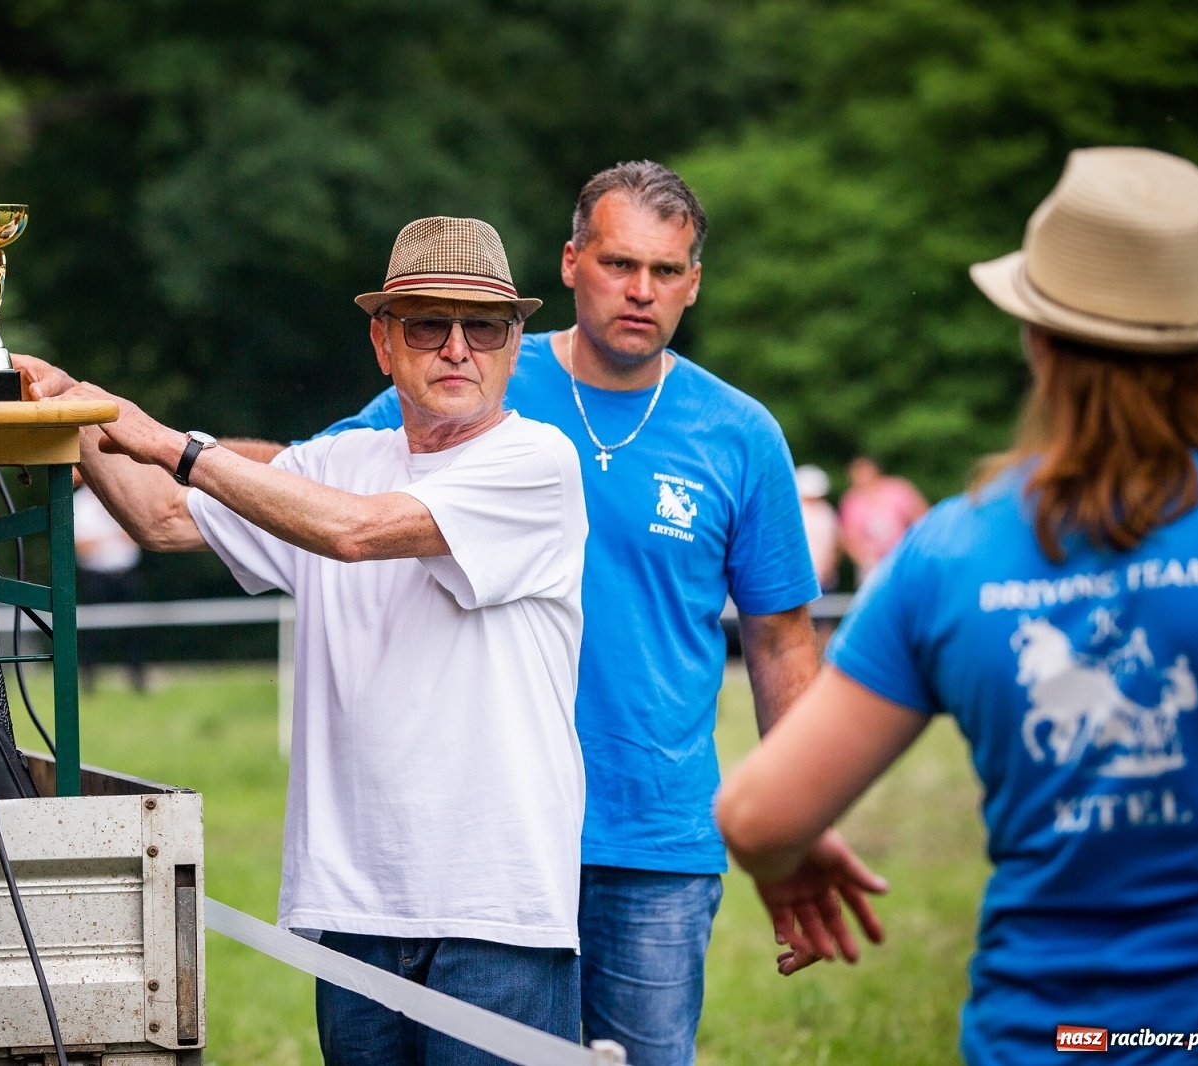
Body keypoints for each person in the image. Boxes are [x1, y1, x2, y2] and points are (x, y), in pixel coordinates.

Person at [305, 162, 885, 1064]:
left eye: (666, 271)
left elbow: (781, 646)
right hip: (489, 835)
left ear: (694, 283)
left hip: (649, 831)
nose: (640, 291)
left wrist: (799, 820)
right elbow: (319, 478)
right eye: (619, 264)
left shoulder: (738, 434)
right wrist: (165, 461)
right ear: (572, 262)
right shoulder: (479, 365)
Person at [3, 217, 590, 1064]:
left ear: (512, 347)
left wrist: (172, 440)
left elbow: (355, 532)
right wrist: (72, 404)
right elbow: (163, 516)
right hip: (353, 909)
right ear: (382, 343)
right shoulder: (340, 461)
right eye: (427, 323)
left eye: (484, 326)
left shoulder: (537, 461)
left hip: (495, 913)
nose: (458, 347)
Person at [716, 147, 1198, 1064]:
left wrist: (792, 848)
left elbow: (756, 817)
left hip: (1051, 1037)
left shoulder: (952, 553)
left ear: (1037, 338)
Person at [73, 484, 145, 691]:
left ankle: (137, 678)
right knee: (91, 632)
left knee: (133, 630)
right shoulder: (80, 504)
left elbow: (137, 537)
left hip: (126, 573)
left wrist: (100, 539)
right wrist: (112, 536)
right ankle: (87, 680)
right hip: (96, 576)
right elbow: (81, 546)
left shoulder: (124, 496)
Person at [838, 456, 927, 582]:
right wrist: (865, 559)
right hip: (871, 562)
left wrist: (914, 548)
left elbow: (921, 518)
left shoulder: (898, 490)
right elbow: (849, 537)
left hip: (903, 555)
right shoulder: (852, 501)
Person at [795, 464, 840, 592]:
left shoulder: (826, 512)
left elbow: (833, 545)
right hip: (797, 578)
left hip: (824, 578)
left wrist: (828, 568)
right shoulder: (793, 512)